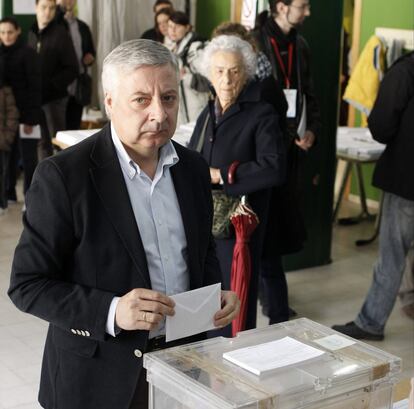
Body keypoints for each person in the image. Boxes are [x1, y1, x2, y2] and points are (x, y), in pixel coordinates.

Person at [8, 39, 239, 409]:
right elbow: (28, 285)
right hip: (96, 377)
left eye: (168, 98)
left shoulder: (193, 168)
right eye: (141, 100)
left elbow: (200, 248)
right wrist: (113, 311)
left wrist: (214, 293)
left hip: (179, 367)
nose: (160, 114)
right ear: (110, 102)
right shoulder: (64, 177)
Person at [188, 35, 286, 337]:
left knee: (234, 301)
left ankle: (230, 364)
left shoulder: (261, 113)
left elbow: (275, 168)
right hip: (208, 221)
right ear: (209, 74)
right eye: (219, 71)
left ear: (245, 72)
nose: (226, 79)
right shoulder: (208, 112)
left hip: (240, 225)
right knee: (208, 297)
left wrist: (223, 175)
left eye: (234, 70)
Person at [333, 51, 414, 340]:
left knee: (392, 254)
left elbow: (380, 126)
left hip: (407, 180)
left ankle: (371, 322)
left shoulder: (405, 71)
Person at [253, 0, 321, 324]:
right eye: (302, 6)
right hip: (262, 146)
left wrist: (311, 131)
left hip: (292, 147)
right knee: (265, 227)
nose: (307, 13)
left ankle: (273, 302)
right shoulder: (255, 41)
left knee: (278, 225)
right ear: (281, 6)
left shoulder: (301, 45)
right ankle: (274, 304)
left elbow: (308, 93)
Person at [28, 0, 78, 159]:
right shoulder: (31, 32)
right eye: (44, 7)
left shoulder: (60, 33)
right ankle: (43, 182)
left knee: (55, 144)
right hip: (35, 99)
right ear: (36, 7)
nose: (47, 12)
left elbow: (72, 69)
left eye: (51, 8)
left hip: (54, 100)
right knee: (39, 142)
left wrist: (51, 86)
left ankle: (58, 182)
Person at [0, 17, 42, 206]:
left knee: (29, 158)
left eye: (9, 32)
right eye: (2, 32)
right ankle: (9, 194)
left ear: (18, 31)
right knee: (7, 158)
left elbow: (35, 87)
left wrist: (32, 118)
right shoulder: (1, 54)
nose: (6, 36)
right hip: (7, 118)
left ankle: (30, 198)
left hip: (28, 115)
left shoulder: (28, 54)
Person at [56, 0, 96, 130]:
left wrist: (90, 57)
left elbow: (91, 52)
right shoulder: (55, 24)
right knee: (57, 129)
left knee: (74, 127)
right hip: (59, 85)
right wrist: (59, 10)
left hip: (78, 85)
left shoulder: (83, 26)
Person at [167, 11, 209, 125]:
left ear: (187, 28)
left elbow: (210, 82)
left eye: (177, 26)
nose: (173, 30)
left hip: (197, 112)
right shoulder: (173, 47)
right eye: (170, 26)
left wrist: (186, 77)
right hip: (182, 114)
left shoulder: (196, 49)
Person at [0, 56, 19, 215]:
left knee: (3, 172)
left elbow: (12, 116)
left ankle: (2, 203)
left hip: (1, 141)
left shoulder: (5, 91)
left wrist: (6, 138)